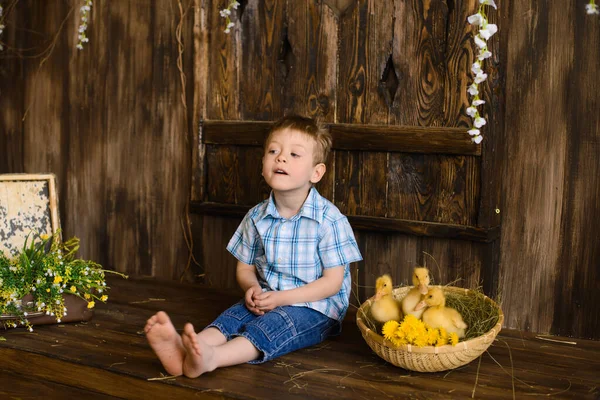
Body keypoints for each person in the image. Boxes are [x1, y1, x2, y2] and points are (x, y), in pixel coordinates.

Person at [144, 115, 362, 378]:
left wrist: (281, 299)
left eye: (294, 154)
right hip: (269, 296)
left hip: (315, 309)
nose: (281, 158)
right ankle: (187, 350)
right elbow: (244, 268)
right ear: (263, 164)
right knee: (234, 316)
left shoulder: (329, 220)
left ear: (316, 172)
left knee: (272, 326)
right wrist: (252, 288)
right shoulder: (257, 217)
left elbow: (332, 283)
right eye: (273, 151)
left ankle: (213, 358)